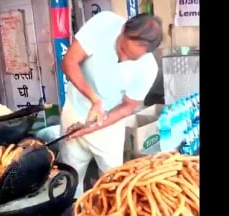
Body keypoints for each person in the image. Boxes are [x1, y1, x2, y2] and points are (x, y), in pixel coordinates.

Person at [59, 11, 163, 198]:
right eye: (122, 49)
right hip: (74, 109)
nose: (123, 59)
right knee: (70, 176)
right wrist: (94, 100)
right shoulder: (104, 23)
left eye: (132, 58)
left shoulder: (148, 69)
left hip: (109, 123)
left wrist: (95, 125)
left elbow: (128, 106)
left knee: (112, 181)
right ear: (123, 29)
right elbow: (69, 62)